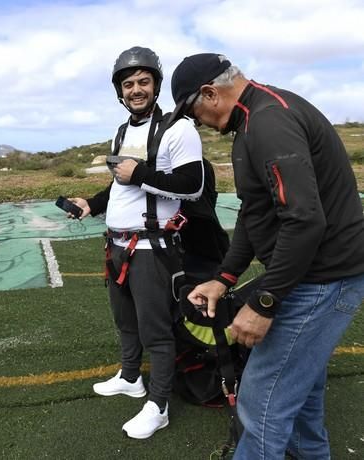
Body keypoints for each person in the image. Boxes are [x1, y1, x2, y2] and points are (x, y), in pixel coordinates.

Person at [171, 53, 364, 459]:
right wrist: (224, 278)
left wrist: (264, 301)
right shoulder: (251, 124)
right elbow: (254, 213)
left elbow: (305, 221)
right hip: (313, 277)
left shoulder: (269, 123)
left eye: (193, 112)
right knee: (302, 393)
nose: (197, 122)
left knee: (260, 403)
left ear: (210, 93)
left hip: (323, 280)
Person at [68, 46, 204, 439]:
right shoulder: (123, 131)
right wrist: (91, 205)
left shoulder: (178, 129)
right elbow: (119, 183)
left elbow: (192, 185)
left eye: (144, 81)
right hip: (116, 245)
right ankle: (131, 378)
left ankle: (158, 405)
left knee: (155, 331)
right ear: (120, 91)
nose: (136, 89)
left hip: (151, 248)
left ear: (156, 85)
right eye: (128, 84)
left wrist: (140, 172)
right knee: (125, 322)